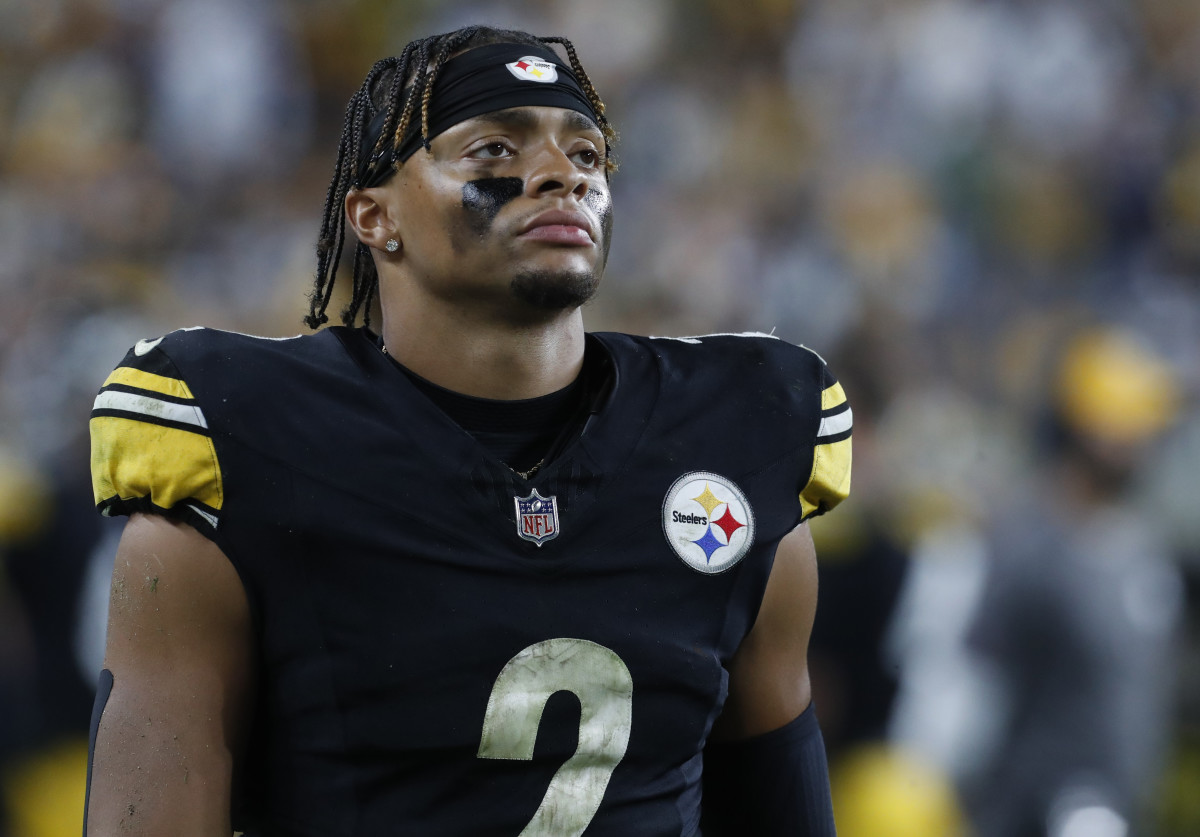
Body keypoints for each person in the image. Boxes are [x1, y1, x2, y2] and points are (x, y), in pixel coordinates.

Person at [85, 25, 852, 836]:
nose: (561, 175)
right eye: (493, 150)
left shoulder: (736, 437)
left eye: (588, 156)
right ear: (375, 216)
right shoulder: (245, 443)